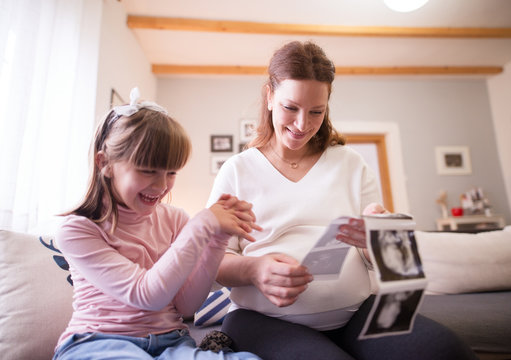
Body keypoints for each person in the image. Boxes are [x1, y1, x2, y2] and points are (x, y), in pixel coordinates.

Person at [207, 41, 478, 360]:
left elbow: (382, 260)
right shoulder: (237, 170)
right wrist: (253, 270)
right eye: (290, 107)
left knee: (446, 351)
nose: (302, 124)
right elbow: (213, 262)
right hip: (262, 319)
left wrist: (375, 239)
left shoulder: (351, 163)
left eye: (316, 112)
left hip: (356, 312)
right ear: (270, 96)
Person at [53, 88, 262, 360]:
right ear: (105, 163)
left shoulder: (175, 219)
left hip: (171, 343)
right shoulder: (77, 230)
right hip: (98, 342)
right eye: (148, 171)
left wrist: (218, 239)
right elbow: (146, 294)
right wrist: (203, 225)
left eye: (171, 173)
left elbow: (186, 306)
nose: (162, 186)